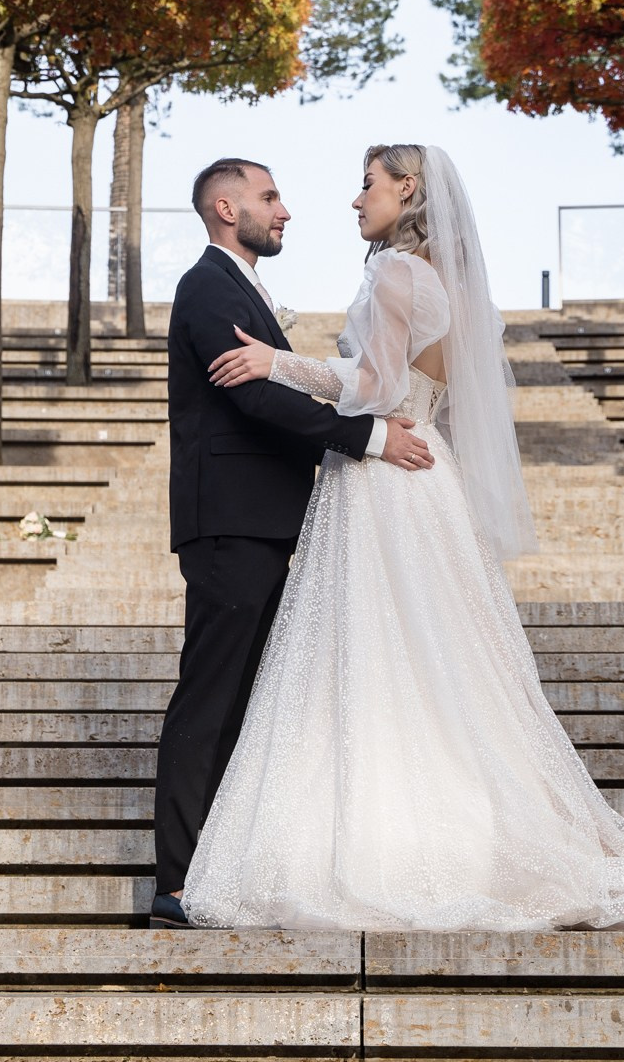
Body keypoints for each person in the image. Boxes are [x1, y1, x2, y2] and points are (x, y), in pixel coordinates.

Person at [177, 143, 624, 933]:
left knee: (375, 656)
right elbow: (417, 385)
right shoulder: (451, 283)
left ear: (405, 190)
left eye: (367, 186)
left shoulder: (390, 273)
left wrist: (279, 362)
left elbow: (378, 389)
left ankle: (374, 836)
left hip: (386, 474)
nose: (353, 202)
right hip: (431, 476)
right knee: (435, 658)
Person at [148, 156, 437, 930]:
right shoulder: (206, 284)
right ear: (222, 206)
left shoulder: (243, 289)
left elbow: (283, 381)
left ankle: (215, 867)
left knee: (247, 702)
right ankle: (174, 883)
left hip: (269, 520)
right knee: (211, 698)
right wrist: (368, 437)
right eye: (269, 197)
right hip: (231, 523)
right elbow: (251, 397)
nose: (285, 211)